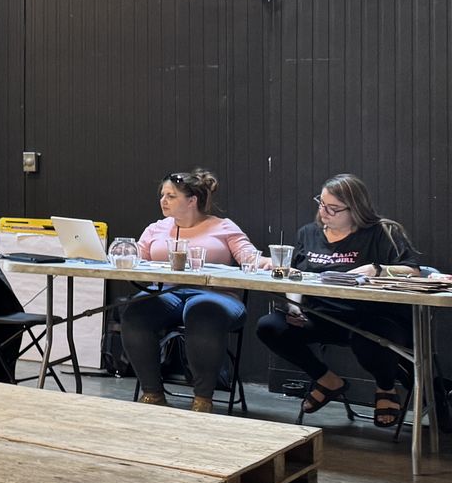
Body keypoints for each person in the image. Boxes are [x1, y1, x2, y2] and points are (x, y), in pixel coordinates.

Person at [257, 173, 422, 428]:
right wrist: (294, 305)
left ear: (356, 209)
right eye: (322, 204)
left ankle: (386, 388)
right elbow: (298, 276)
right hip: (321, 314)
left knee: (370, 339)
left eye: (334, 209)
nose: (325, 212)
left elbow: (414, 271)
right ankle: (326, 379)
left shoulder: (382, 232)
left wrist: (377, 269)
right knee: (270, 327)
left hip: (372, 316)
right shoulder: (309, 233)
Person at [119, 170, 260, 412]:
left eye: (171, 196)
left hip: (216, 295)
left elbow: (250, 256)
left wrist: (265, 261)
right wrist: (122, 253)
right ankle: (152, 393)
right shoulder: (157, 228)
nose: (163, 200)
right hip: (167, 293)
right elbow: (135, 258)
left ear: (192, 201)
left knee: (202, 311)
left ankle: (203, 400)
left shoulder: (223, 227)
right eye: (162, 195)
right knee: (135, 313)